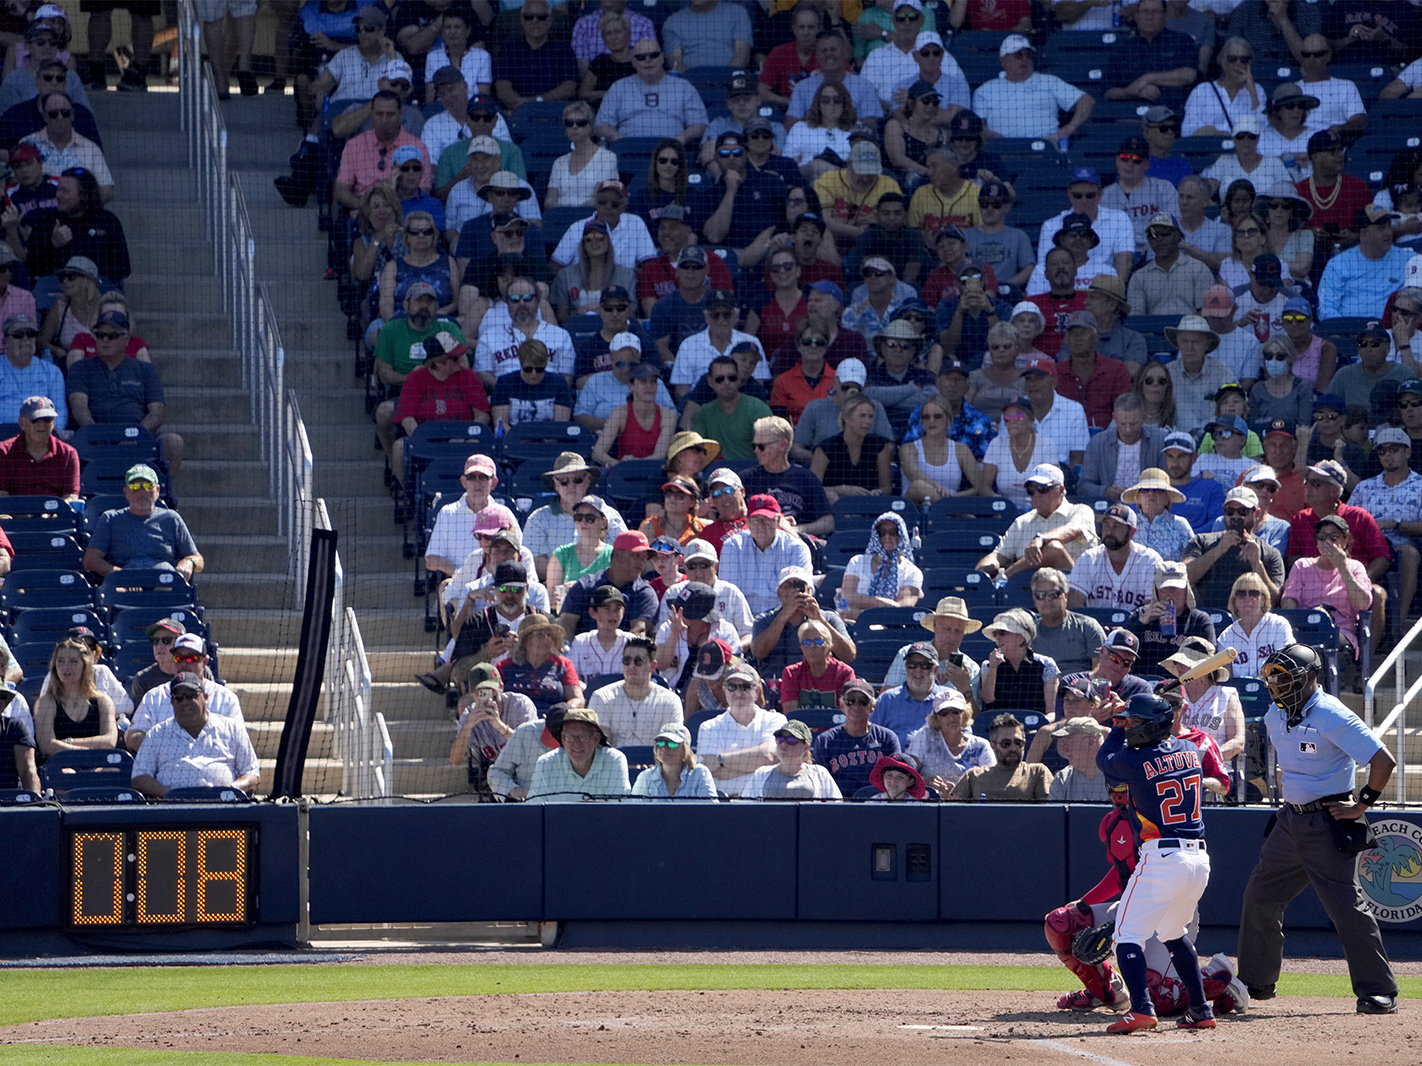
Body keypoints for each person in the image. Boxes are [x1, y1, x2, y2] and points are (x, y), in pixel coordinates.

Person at [1238, 644, 1399, 1014]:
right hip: (1288, 820)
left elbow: (1382, 760)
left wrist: (1361, 803)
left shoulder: (1331, 713)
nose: (1276, 685)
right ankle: (1256, 982)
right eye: (1272, 678)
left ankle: (1380, 990)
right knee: (1260, 895)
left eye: (1284, 678)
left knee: (1345, 906)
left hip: (1328, 820)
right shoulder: (1274, 714)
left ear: (1309, 677)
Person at [1094, 693, 1215, 1034]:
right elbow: (1162, 744)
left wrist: (1116, 724)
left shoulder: (1134, 761)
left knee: (1126, 936)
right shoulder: (1190, 751)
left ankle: (1142, 1009)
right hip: (1198, 860)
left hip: (1162, 856)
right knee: (1174, 934)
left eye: (1135, 723)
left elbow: (1106, 758)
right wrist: (1135, 713)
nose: (1130, 727)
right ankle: (1200, 1008)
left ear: (1152, 726)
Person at [128, 673, 260, 799]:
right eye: (179, 698)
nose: (185, 702)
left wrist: (230, 789)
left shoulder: (231, 728)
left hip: (223, 808)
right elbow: (140, 777)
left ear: (205, 697)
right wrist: (170, 793)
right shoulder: (157, 733)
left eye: (191, 695)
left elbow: (252, 773)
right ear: (172, 702)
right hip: (174, 811)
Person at [976, 463, 1099, 580]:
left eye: (1043, 489)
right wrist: (978, 574)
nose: (1036, 495)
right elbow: (998, 556)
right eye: (1031, 490)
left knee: (1053, 548)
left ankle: (1005, 578)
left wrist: (1041, 539)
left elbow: (1072, 531)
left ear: (1061, 490)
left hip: (1073, 591)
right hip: (1025, 594)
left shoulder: (1081, 510)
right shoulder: (1022, 522)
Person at [1348, 427, 1422, 618]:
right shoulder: (1364, 487)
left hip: (1399, 545)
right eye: (1382, 451)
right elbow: (1345, 521)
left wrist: (1393, 523)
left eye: (1393, 449)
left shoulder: (1420, 485)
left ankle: (1400, 622)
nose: (1387, 455)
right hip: (1364, 545)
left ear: (1407, 451)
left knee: (1410, 554)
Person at [82, 464, 202, 580]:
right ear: (126, 492)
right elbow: (91, 560)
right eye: (134, 487)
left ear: (158, 490)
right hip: (124, 587)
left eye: (148, 486)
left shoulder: (172, 518)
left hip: (164, 584)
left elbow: (198, 559)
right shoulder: (110, 519)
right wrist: (122, 576)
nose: (141, 491)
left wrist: (189, 561)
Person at [972, 34, 1092, 142]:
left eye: (1028, 55)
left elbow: (1086, 101)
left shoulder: (1049, 82)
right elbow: (979, 125)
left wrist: (1067, 130)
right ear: (1003, 60)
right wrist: (989, 135)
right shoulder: (985, 90)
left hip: (1045, 146)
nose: (1024, 59)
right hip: (1004, 147)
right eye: (1018, 55)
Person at [1183, 486, 1285, 612]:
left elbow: (1274, 600)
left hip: (1249, 623)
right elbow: (1184, 577)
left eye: (1242, 511)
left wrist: (1256, 563)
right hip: (1206, 619)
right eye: (1230, 511)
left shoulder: (1269, 553)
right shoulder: (1201, 541)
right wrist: (1218, 550)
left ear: (1257, 514)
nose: (1235, 516)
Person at [693, 661, 784, 796]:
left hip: (765, 802)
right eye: (732, 687)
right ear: (724, 690)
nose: (738, 692)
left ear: (757, 691)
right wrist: (758, 765)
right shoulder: (708, 727)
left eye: (745, 686)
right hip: (724, 804)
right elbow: (710, 771)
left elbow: (769, 756)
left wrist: (720, 760)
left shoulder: (776, 720)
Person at [594, 37, 707, 144]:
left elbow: (700, 124)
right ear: (633, 62)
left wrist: (682, 138)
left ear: (662, 58)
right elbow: (601, 125)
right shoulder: (618, 87)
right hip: (629, 152)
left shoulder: (683, 87)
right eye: (641, 57)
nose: (648, 60)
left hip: (671, 154)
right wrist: (619, 140)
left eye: (653, 55)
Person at [557, 530, 658, 639]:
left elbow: (639, 631)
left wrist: (611, 654)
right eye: (636, 556)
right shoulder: (585, 587)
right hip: (582, 653)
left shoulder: (644, 592)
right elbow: (566, 625)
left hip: (625, 654)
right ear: (618, 554)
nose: (641, 562)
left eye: (644, 557)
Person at [1319, 206, 1415, 321]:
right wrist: (1343, 331)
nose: (1388, 233)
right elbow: (1326, 308)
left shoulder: (1410, 260)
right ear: (1364, 234)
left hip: (1393, 331)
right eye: (1381, 228)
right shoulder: (1338, 264)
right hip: (1349, 332)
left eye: (1389, 226)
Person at [1067, 504, 1166, 611]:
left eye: (1116, 526)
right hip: (1097, 625)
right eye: (1106, 525)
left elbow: (1152, 606)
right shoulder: (1089, 559)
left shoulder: (1150, 560)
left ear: (1132, 532)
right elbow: (1073, 603)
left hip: (1136, 626)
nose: (1109, 531)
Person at [1127, 561, 1218, 675]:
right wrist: (1142, 623)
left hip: (1183, 685)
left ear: (1186, 590)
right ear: (1156, 590)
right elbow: (1121, 653)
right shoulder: (1140, 615)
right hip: (1142, 684)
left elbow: (1209, 661)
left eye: (1176, 589)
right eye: (1164, 589)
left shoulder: (1200, 621)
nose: (1170, 594)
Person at [32, 636, 117, 758]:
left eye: (73, 661)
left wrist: (69, 742)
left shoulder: (104, 702)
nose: (66, 667)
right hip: (62, 766)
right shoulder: (45, 703)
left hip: (97, 763)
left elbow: (109, 741)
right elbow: (47, 745)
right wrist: (85, 752)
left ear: (85, 666)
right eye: (60, 661)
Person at [525, 706, 630, 802]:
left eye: (583, 737)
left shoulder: (614, 760)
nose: (576, 744)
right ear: (563, 738)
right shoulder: (545, 764)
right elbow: (534, 809)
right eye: (570, 737)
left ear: (596, 739)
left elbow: (620, 810)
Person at [1078, 393, 1166, 501]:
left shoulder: (1160, 441)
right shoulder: (1098, 444)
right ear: (1114, 418)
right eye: (1123, 424)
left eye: (1133, 424)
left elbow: (1169, 482)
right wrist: (1105, 491)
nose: (1128, 430)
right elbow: (1083, 486)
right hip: (1109, 507)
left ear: (1144, 418)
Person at [905, 687, 993, 794]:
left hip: (969, 806)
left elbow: (992, 783)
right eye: (944, 713)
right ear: (937, 718)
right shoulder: (925, 736)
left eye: (956, 712)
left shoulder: (981, 746)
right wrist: (923, 782)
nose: (951, 717)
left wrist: (961, 790)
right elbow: (906, 774)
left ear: (964, 715)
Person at [949, 712, 1053, 801]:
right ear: (993, 746)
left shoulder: (1037, 773)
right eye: (1006, 743)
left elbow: (1049, 814)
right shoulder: (973, 776)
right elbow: (955, 814)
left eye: (1018, 743)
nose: (1013, 748)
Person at [1127, 213, 1214, 317]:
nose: (1159, 239)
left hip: (1190, 331)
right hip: (1151, 331)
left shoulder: (1199, 269)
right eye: (1153, 235)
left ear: (1177, 236)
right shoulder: (1139, 277)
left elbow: (1205, 313)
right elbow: (1136, 316)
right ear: (1149, 240)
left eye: (1165, 233)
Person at [980, 397, 1059, 511]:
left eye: (1019, 416)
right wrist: (998, 501)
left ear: (1031, 420)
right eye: (1007, 417)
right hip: (1004, 511)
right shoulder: (996, 444)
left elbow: (1053, 486)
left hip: (1040, 510)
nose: (1012, 420)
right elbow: (984, 486)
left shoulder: (1046, 444)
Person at [979, 608, 1058, 718]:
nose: (997, 637)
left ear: (1021, 638)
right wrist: (993, 668)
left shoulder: (1046, 665)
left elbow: (1051, 712)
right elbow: (988, 699)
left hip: (1035, 730)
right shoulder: (987, 666)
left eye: (1002, 633)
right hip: (999, 730)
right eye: (995, 633)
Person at [0, 394, 77, 499]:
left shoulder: (68, 453)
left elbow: (71, 495)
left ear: (53, 422)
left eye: (47, 420)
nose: (42, 425)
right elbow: (2, 495)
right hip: (15, 514)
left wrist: (54, 514)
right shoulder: (3, 452)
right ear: (22, 422)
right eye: (35, 420)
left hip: (57, 514)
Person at [1182, 35, 1261, 137]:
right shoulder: (1202, 91)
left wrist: (1252, 92)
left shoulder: (1257, 90)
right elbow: (1188, 130)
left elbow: (1262, 129)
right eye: (1232, 59)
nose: (1238, 63)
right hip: (1209, 149)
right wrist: (1218, 135)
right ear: (1223, 62)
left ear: (1249, 63)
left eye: (1244, 59)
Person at [1165, 315, 1233, 431]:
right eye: (1185, 341)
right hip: (1176, 440)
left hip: (1214, 437)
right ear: (1178, 344)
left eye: (1195, 341)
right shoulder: (1167, 373)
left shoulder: (1221, 371)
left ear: (1206, 344)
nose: (1190, 348)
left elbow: (1235, 407)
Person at [1121, 466, 1195, 562]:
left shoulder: (1179, 524)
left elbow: (1194, 556)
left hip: (1170, 576)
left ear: (1167, 498)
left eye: (1157, 490)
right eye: (1145, 490)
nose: (1151, 493)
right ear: (1138, 498)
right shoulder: (1129, 524)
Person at [630, 720, 717, 799]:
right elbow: (635, 814)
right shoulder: (645, 778)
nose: (664, 748)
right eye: (660, 743)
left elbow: (710, 813)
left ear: (684, 751)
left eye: (672, 744)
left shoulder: (700, 774)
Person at [1132, 362, 1178, 433]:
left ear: (1168, 387)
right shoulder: (1125, 414)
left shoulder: (1178, 415)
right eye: (1149, 381)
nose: (1155, 384)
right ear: (1141, 385)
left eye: (1161, 381)